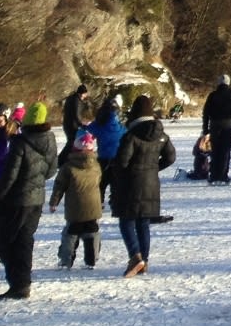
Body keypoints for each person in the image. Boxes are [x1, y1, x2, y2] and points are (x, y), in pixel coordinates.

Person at [0, 100, 58, 298]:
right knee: (24, 240)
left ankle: (18, 283)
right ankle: (22, 284)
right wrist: (35, 180)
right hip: (36, 199)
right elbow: (51, 171)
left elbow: (11, 175)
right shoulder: (50, 139)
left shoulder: (20, 142)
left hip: (17, 200)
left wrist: (0, 194)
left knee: (7, 240)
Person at [111, 94, 176, 277]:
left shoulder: (131, 136)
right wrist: (154, 168)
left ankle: (135, 256)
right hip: (151, 183)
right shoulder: (162, 135)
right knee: (143, 223)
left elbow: (122, 161)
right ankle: (144, 261)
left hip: (131, 183)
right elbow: (171, 157)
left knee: (126, 220)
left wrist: (116, 175)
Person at [50, 130, 103, 270]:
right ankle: (92, 260)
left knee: (71, 234)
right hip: (93, 205)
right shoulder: (96, 166)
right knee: (92, 232)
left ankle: (66, 260)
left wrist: (54, 202)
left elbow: (59, 186)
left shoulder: (68, 167)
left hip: (75, 207)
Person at [201, 74, 231, 184]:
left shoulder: (212, 95)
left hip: (214, 126)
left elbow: (206, 113)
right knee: (225, 152)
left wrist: (205, 130)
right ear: (228, 83)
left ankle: (214, 175)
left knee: (215, 152)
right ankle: (223, 175)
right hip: (228, 126)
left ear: (218, 83)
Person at [87, 95, 127, 206]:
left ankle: (99, 201)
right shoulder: (120, 127)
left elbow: (88, 129)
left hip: (103, 157)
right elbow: (127, 132)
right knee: (116, 182)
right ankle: (115, 200)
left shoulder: (99, 126)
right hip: (117, 157)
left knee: (101, 182)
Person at [60, 83, 91, 160]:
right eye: (85, 93)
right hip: (71, 125)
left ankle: (64, 159)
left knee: (71, 143)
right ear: (82, 93)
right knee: (71, 143)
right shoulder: (76, 101)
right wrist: (81, 124)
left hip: (68, 123)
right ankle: (61, 160)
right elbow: (76, 114)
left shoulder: (72, 98)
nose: (86, 95)